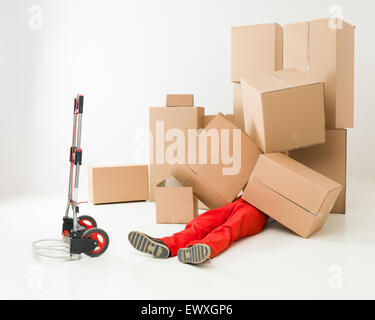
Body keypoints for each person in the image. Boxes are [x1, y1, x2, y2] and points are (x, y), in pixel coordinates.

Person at [128, 197, 268, 265]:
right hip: (242, 199)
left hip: (260, 209)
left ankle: (201, 249)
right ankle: (166, 244)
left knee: (230, 227)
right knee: (204, 222)